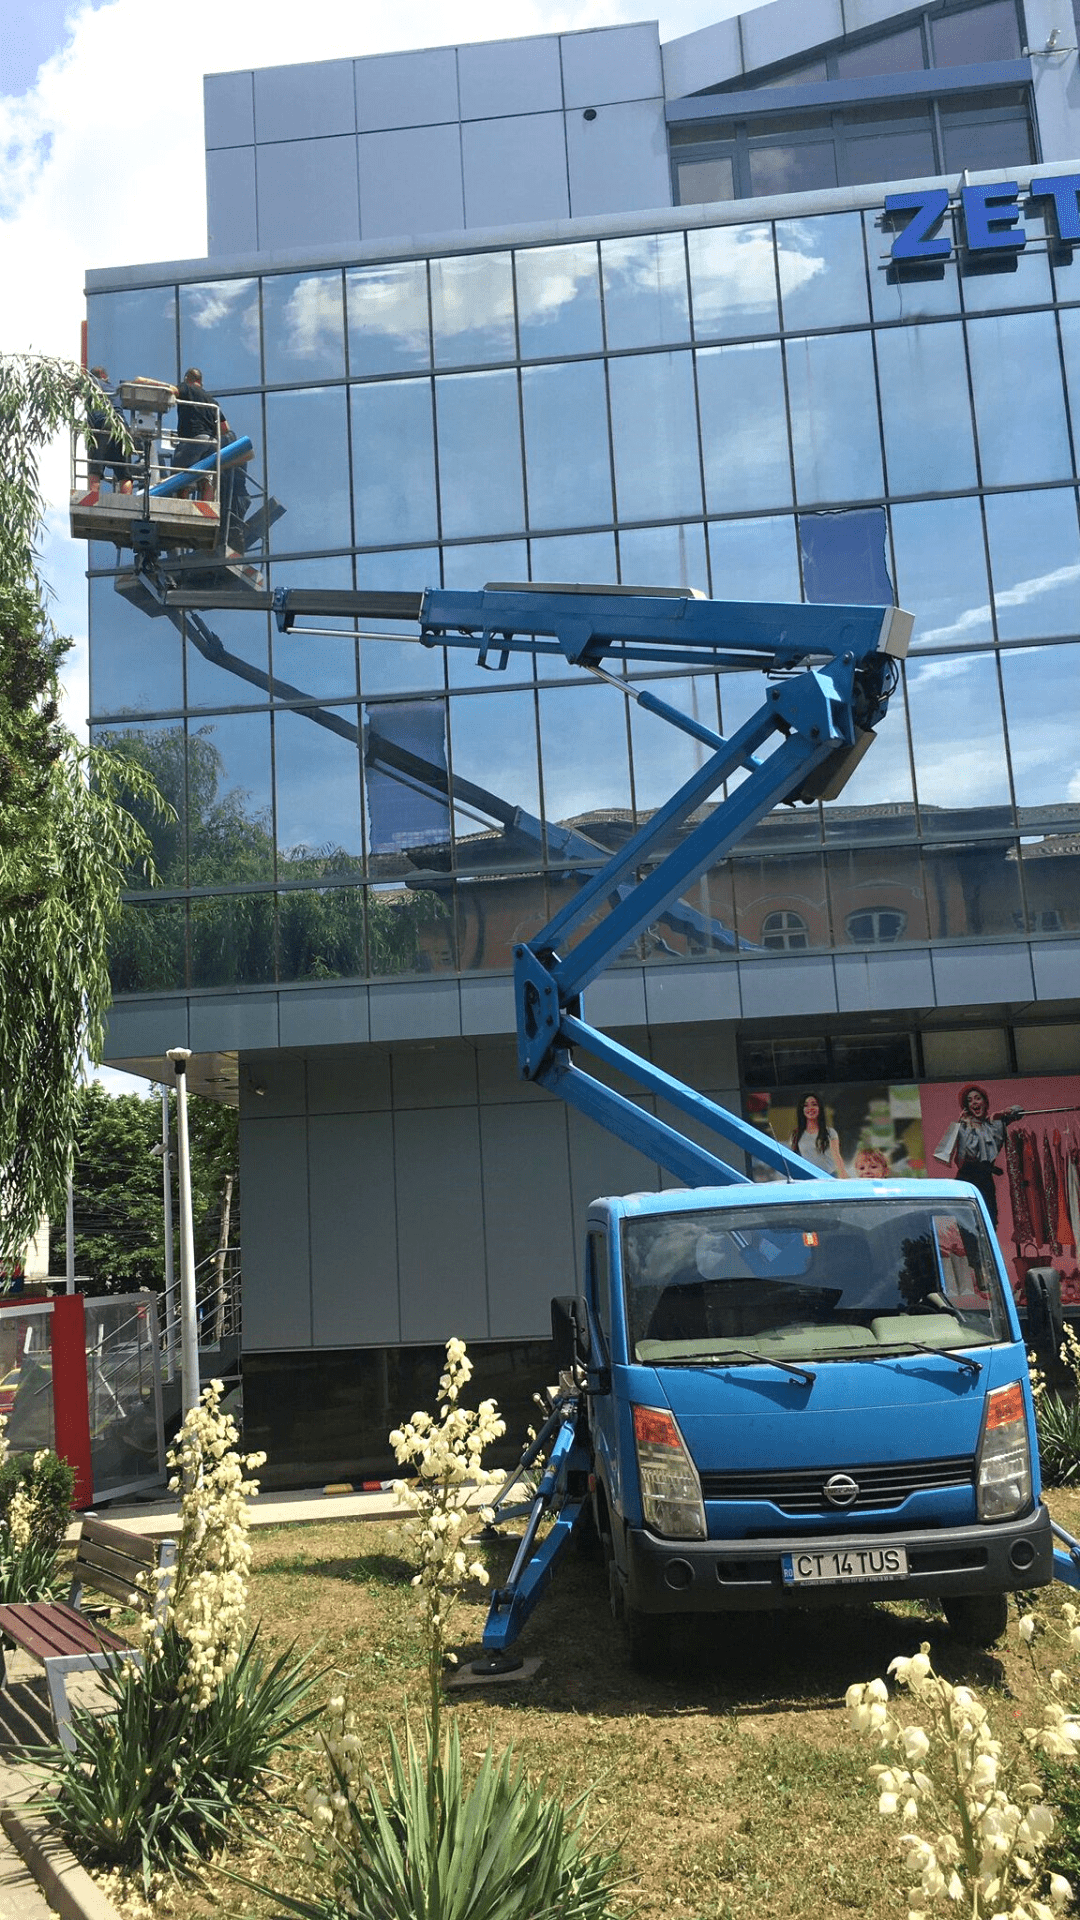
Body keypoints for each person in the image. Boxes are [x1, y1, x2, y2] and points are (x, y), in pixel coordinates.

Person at [947, 1084, 1023, 1228]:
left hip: (986, 1179)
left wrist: (1002, 1114)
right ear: (966, 1106)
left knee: (990, 1221)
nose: (974, 1102)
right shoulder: (964, 1126)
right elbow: (967, 1152)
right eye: (970, 1100)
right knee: (967, 1223)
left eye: (977, 1098)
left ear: (985, 1102)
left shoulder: (993, 1124)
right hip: (967, 1178)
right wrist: (963, 1126)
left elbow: (1020, 1111)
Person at [173, 367, 228, 499]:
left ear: (187, 379)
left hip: (194, 440)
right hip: (211, 443)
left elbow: (171, 391)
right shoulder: (211, 400)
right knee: (207, 477)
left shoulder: (186, 388)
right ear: (201, 381)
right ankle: (207, 506)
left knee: (180, 476)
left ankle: (182, 508)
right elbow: (225, 428)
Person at [84, 367, 131, 496]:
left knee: (95, 468)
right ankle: (126, 500)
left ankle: (92, 499)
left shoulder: (92, 383)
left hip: (103, 426)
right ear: (104, 375)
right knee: (124, 472)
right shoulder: (113, 388)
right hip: (122, 427)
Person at [790, 1092, 848, 1177]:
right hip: (808, 1178)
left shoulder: (830, 1132)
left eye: (814, 1104)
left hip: (830, 1176)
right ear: (801, 1109)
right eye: (806, 1105)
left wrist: (844, 1176)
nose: (810, 1108)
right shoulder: (796, 1134)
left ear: (819, 1108)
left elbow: (837, 1156)